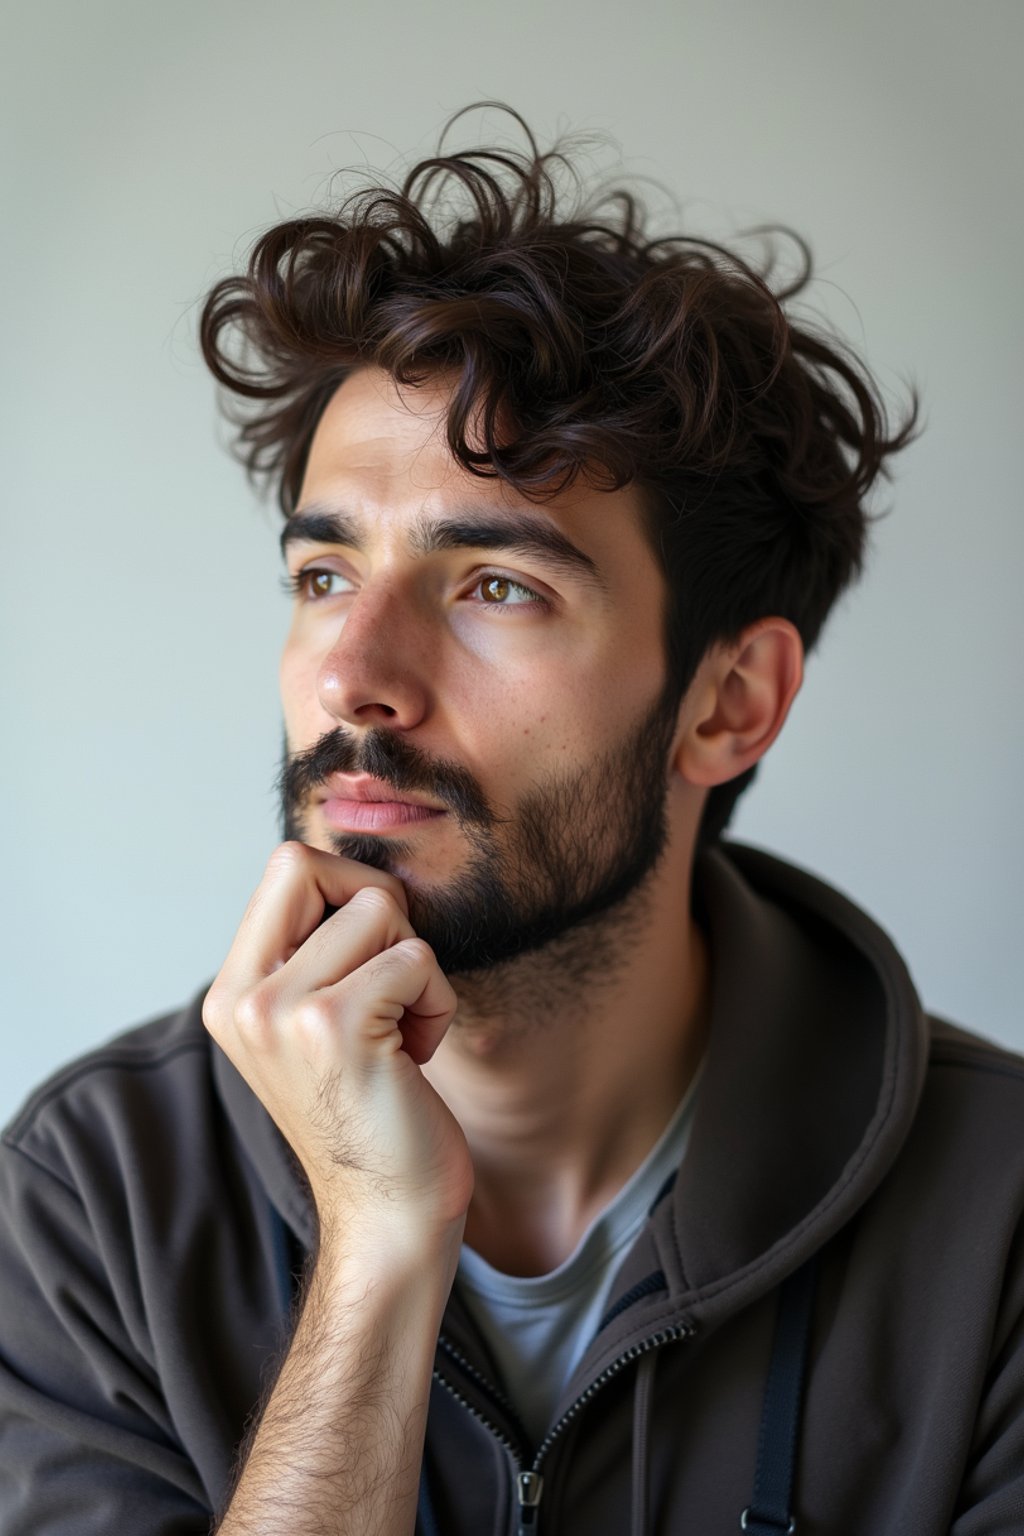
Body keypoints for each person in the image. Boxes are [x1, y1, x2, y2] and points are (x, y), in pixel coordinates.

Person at [2, 111, 1022, 1536]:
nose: (356, 674)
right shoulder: (95, 1204)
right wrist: (373, 1247)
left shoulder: (999, 1220)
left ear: (728, 702)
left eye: (497, 588)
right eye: (321, 575)